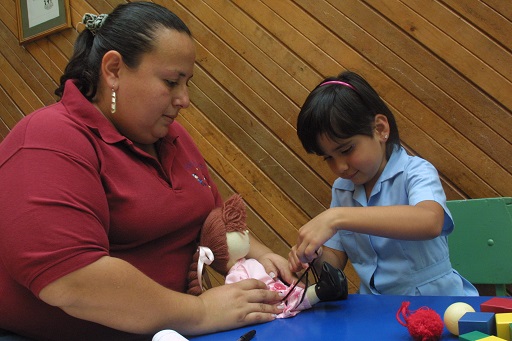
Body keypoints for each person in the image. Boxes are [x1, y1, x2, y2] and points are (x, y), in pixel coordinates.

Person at [0, 3, 295, 340]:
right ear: (113, 70)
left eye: (187, 83)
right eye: (171, 82)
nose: (184, 99)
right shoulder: (48, 138)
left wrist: (262, 259)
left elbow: (212, 221)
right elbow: (71, 281)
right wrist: (200, 312)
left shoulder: (172, 137)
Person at [288, 70, 478, 296]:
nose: (340, 167)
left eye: (346, 149)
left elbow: (430, 221)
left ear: (380, 129)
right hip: (374, 310)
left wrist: (335, 217)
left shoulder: (415, 171)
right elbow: (336, 261)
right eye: (328, 157)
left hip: (438, 306)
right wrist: (313, 256)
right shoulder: (343, 190)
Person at [186, 194, 348, 319]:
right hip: (269, 303)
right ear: (222, 247)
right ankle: (323, 290)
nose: (246, 233)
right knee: (292, 302)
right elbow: (242, 298)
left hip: (276, 292)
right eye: (238, 231)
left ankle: (329, 290)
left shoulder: (250, 262)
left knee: (294, 294)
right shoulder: (235, 275)